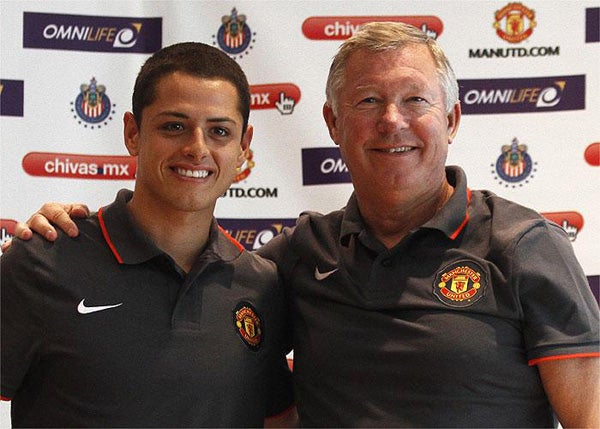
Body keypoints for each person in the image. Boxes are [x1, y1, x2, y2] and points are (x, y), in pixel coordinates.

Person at [6, 23, 600, 427]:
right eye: (367, 101)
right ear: (333, 124)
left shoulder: (524, 246)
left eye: (415, 100)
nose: (391, 121)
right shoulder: (294, 259)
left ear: (451, 118)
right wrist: (58, 232)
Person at [0, 42, 297, 428]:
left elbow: (278, 420)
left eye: (219, 131)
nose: (197, 148)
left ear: (243, 147)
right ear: (132, 133)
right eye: (174, 126)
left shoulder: (260, 285)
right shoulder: (43, 262)